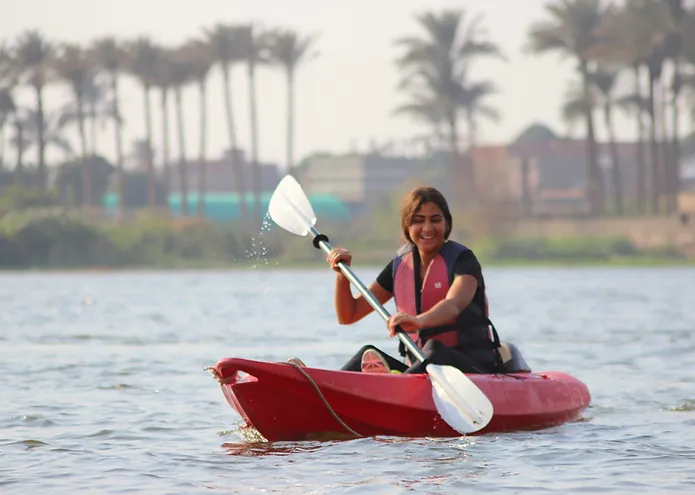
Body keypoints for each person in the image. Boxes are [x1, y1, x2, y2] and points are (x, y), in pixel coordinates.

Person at [327, 185, 504, 375]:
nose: (427, 228)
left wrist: (418, 321)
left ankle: (395, 386)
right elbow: (349, 315)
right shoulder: (400, 266)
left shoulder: (464, 261)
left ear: (446, 224)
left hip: (473, 369)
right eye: (418, 221)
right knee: (366, 354)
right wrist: (341, 276)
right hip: (421, 370)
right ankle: (320, 389)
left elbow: (453, 305)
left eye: (435, 220)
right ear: (407, 226)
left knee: (434, 349)